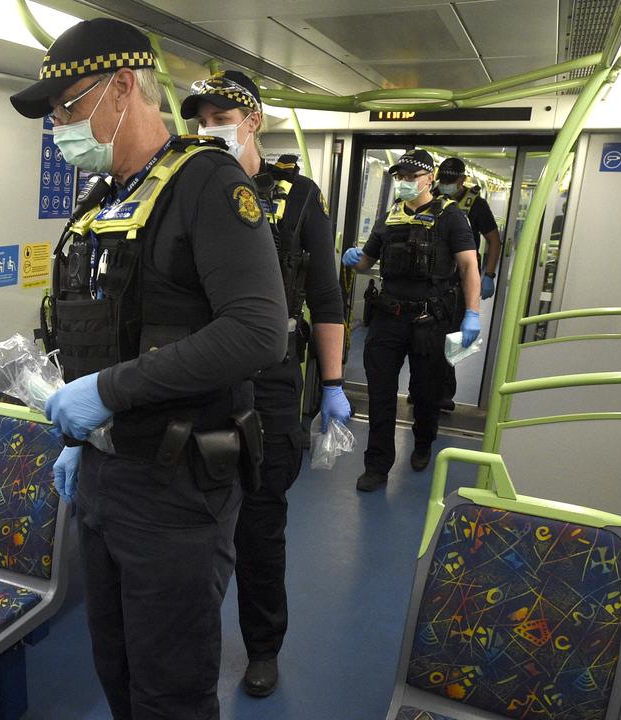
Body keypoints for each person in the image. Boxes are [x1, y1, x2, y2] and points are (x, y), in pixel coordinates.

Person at [11, 19, 288, 719]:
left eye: (68, 106)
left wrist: (107, 391)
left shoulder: (207, 185)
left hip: (178, 488)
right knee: (118, 670)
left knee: (171, 692)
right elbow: (106, 332)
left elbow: (257, 333)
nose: (60, 127)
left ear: (123, 87)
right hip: (105, 477)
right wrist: (80, 435)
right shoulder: (102, 203)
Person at [180, 70, 350, 697]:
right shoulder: (188, 185)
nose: (208, 127)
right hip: (201, 377)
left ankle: (262, 646)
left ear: (251, 119)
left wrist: (331, 382)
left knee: (259, 523)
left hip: (273, 380)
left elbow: (326, 299)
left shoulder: (298, 197)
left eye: (221, 115)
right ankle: (189, 642)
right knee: (190, 525)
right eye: (200, 117)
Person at [342, 149, 481, 492]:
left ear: (429, 178)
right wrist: (354, 259)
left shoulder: (450, 218)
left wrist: (472, 314)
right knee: (381, 393)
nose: (404, 182)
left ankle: (422, 442)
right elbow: (366, 262)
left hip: (429, 319)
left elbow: (468, 266)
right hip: (389, 317)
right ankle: (377, 465)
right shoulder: (390, 218)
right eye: (399, 177)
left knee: (425, 390)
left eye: (410, 176)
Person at [428, 156, 503, 409]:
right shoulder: (429, 198)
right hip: (430, 279)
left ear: (462, 180)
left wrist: (489, 274)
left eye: (451, 181)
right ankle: (422, 388)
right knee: (424, 337)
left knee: (451, 337)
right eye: (443, 180)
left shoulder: (476, 205)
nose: (445, 185)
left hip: (458, 283)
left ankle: (444, 392)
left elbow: (494, 240)